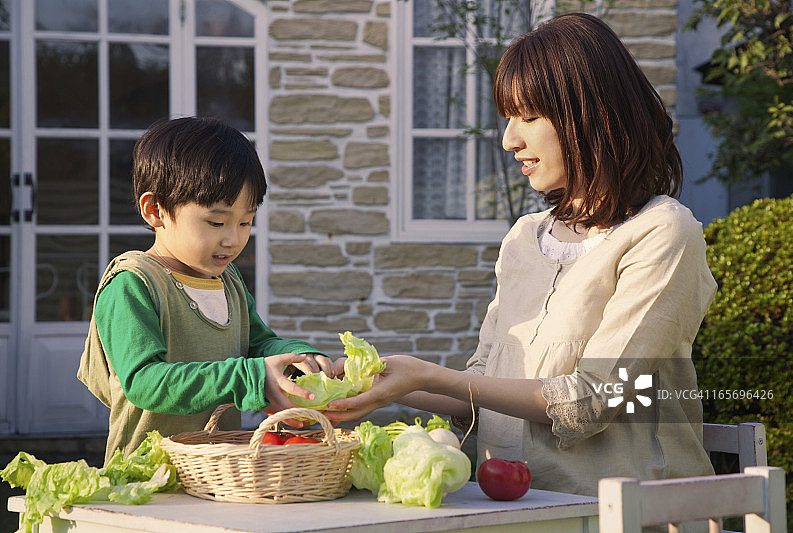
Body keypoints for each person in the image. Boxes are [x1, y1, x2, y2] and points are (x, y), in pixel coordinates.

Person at [327, 12, 717, 498]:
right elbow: (481, 388)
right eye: (508, 118)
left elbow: (595, 399)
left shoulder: (662, 232)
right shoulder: (524, 238)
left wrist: (424, 375)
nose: (510, 139)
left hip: (629, 511)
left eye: (528, 117)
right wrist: (380, 382)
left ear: (591, 113)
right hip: (510, 507)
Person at [78, 117, 331, 463]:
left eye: (246, 222)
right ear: (155, 210)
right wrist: (247, 377)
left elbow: (257, 344)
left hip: (220, 472)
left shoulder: (229, 281)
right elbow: (144, 382)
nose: (233, 239)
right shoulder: (132, 284)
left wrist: (300, 358)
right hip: (145, 478)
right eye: (216, 222)